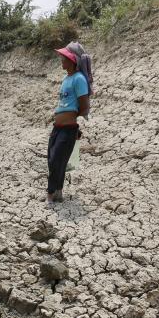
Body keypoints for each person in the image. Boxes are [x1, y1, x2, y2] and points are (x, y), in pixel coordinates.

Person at [47, 45, 90, 203]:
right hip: (58, 128)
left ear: (72, 60)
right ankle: (58, 192)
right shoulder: (66, 79)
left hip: (68, 129)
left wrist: (70, 117)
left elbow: (84, 106)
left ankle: (50, 195)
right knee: (53, 159)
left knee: (57, 160)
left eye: (64, 57)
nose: (61, 60)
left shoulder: (79, 79)